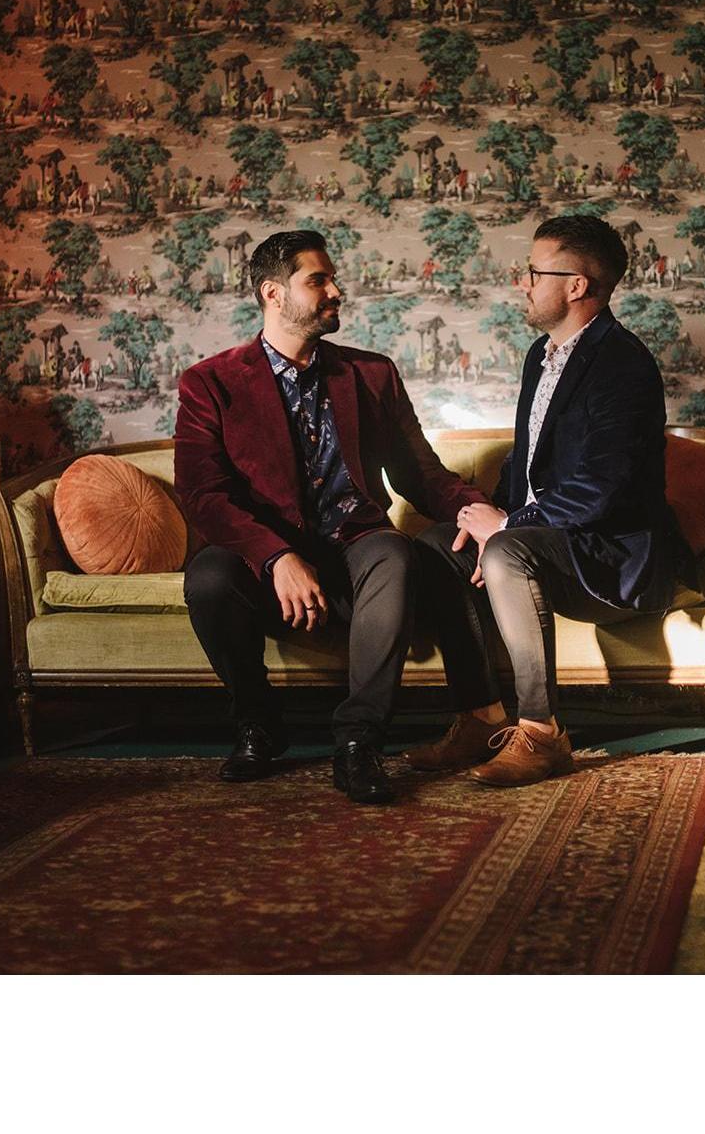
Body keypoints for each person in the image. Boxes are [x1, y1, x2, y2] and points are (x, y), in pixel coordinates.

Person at [175, 230, 489, 804]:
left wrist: (477, 509)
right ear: (273, 293)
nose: (336, 290)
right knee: (208, 578)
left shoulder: (372, 374)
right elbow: (203, 495)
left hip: (356, 545)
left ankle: (358, 741)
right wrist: (276, 557)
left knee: (395, 554)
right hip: (265, 559)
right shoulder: (210, 383)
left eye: (332, 278)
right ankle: (257, 725)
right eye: (318, 280)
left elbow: (419, 473)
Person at [410, 214, 688, 786]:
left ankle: (541, 734)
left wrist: (508, 525)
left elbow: (602, 488)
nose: (524, 283)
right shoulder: (541, 354)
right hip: (546, 541)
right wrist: (484, 521)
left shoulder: (624, 364)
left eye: (535, 272)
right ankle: (482, 719)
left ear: (577, 285)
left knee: (506, 549)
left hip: (608, 556)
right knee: (439, 545)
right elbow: (527, 463)